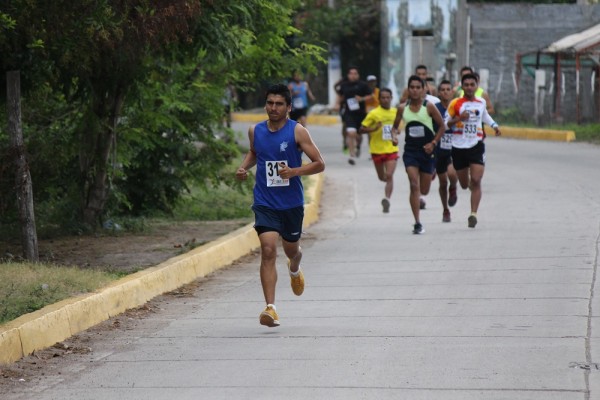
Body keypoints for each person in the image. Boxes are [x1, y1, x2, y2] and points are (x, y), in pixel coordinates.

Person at [235, 83, 325, 327]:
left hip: (291, 203)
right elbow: (255, 153)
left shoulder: (298, 132)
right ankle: (270, 308)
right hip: (265, 201)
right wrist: (244, 167)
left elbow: (319, 163)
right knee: (267, 249)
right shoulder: (256, 130)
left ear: (289, 107)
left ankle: (294, 268)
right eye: (270, 103)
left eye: (279, 104)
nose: (273, 108)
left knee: (291, 250)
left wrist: (294, 171)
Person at [391, 76, 446, 234]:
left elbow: (442, 126)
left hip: (427, 152)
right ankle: (417, 222)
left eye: (417, 87)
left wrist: (433, 143)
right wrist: (394, 137)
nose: (414, 90)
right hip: (411, 152)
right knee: (414, 185)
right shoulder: (402, 108)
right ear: (408, 89)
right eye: (412, 87)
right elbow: (394, 128)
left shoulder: (429, 107)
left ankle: (431, 171)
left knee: (425, 189)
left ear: (423, 90)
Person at [446, 73, 501, 228]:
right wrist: (458, 119)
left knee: (476, 180)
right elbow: (445, 124)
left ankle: (473, 214)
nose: (469, 87)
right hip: (458, 147)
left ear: (477, 86)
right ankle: (463, 185)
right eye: (467, 85)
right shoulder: (455, 103)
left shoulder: (481, 102)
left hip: (476, 145)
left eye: (472, 84)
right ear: (462, 87)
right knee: (465, 184)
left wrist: (494, 126)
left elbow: (485, 116)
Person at [359, 88, 399, 213]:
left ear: (391, 98)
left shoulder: (396, 112)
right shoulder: (374, 113)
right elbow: (361, 129)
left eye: (388, 97)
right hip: (377, 150)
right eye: (383, 97)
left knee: (389, 175)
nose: (386, 100)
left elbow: (398, 128)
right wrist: (374, 129)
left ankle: (387, 199)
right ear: (379, 99)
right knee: (382, 177)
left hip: (391, 149)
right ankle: (387, 186)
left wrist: (396, 133)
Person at [334, 67, 373, 165]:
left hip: (361, 114)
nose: (353, 75)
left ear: (358, 75)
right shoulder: (344, 85)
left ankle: (358, 146)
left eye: (355, 73)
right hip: (349, 113)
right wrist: (337, 104)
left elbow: (371, 95)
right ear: (348, 75)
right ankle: (352, 155)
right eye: (351, 73)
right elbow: (340, 96)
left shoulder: (363, 85)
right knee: (351, 133)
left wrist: (362, 99)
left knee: (359, 136)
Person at [433, 80, 459, 222]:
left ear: (452, 92)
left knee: (451, 173)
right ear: (438, 92)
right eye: (442, 89)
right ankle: (445, 210)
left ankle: (453, 187)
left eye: (448, 89)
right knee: (442, 183)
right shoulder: (434, 108)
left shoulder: (457, 107)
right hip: (439, 149)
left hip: (454, 147)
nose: (445, 92)